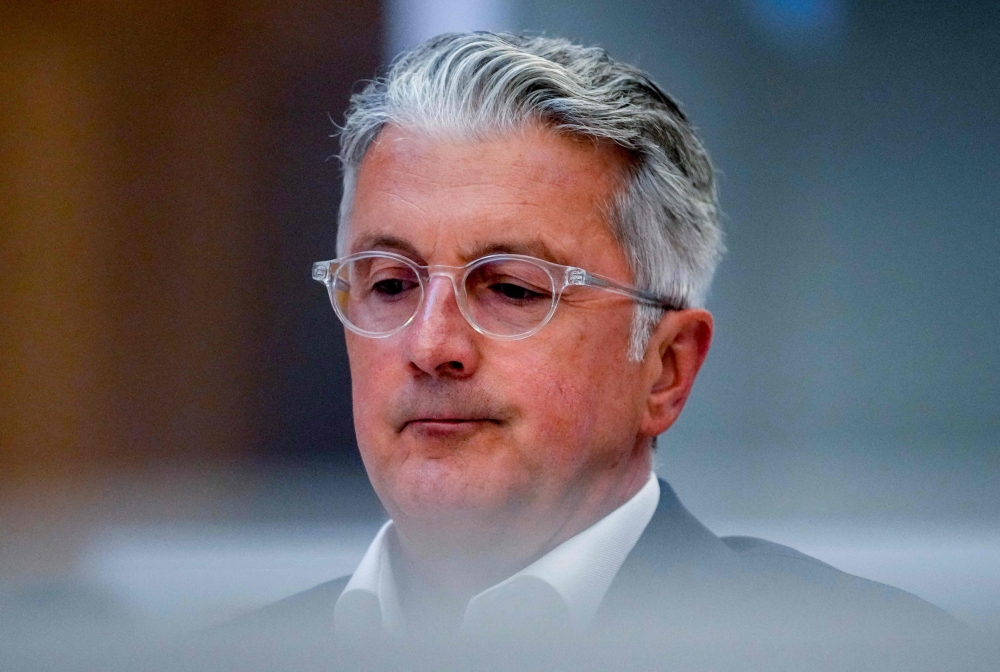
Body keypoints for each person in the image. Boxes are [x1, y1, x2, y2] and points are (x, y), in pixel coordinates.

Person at [217, 32, 978, 671]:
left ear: (667, 369)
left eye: (511, 289)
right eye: (389, 284)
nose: (431, 345)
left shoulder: (866, 654)